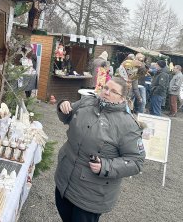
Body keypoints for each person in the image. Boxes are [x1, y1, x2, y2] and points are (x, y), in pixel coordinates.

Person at [55, 77, 145, 222]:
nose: (107, 92)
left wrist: (106, 166)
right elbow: (67, 116)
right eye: (106, 88)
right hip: (64, 179)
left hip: (90, 195)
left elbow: (136, 162)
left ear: (123, 98)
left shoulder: (128, 125)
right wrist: (62, 106)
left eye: (113, 91)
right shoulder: (87, 102)